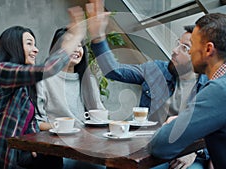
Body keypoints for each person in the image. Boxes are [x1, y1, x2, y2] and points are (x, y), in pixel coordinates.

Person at [85, 0, 209, 168]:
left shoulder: (209, 86)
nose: (175, 50)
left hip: (185, 155)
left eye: (184, 48)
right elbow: (113, 70)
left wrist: (195, 151)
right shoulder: (155, 69)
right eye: (177, 44)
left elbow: (219, 132)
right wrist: (98, 37)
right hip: (147, 149)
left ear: (199, 54)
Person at [0, 6, 86, 169]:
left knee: (54, 160)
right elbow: (47, 69)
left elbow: (29, 126)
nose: (36, 50)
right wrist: (77, 36)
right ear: (13, 46)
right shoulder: (1, 70)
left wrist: (34, 146)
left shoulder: (24, 87)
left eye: (35, 44)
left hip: (17, 157)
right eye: (29, 44)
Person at [149, 13, 226, 169]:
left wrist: (173, 122)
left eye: (192, 44)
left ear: (208, 49)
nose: (190, 51)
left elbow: (160, 146)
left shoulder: (222, 90)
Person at [36, 27, 106, 169]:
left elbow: (100, 115)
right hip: (58, 147)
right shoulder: (44, 79)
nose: (77, 49)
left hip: (89, 146)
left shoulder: (88, 80)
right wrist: (67, 127)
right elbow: (38, 123)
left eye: (80, 45)